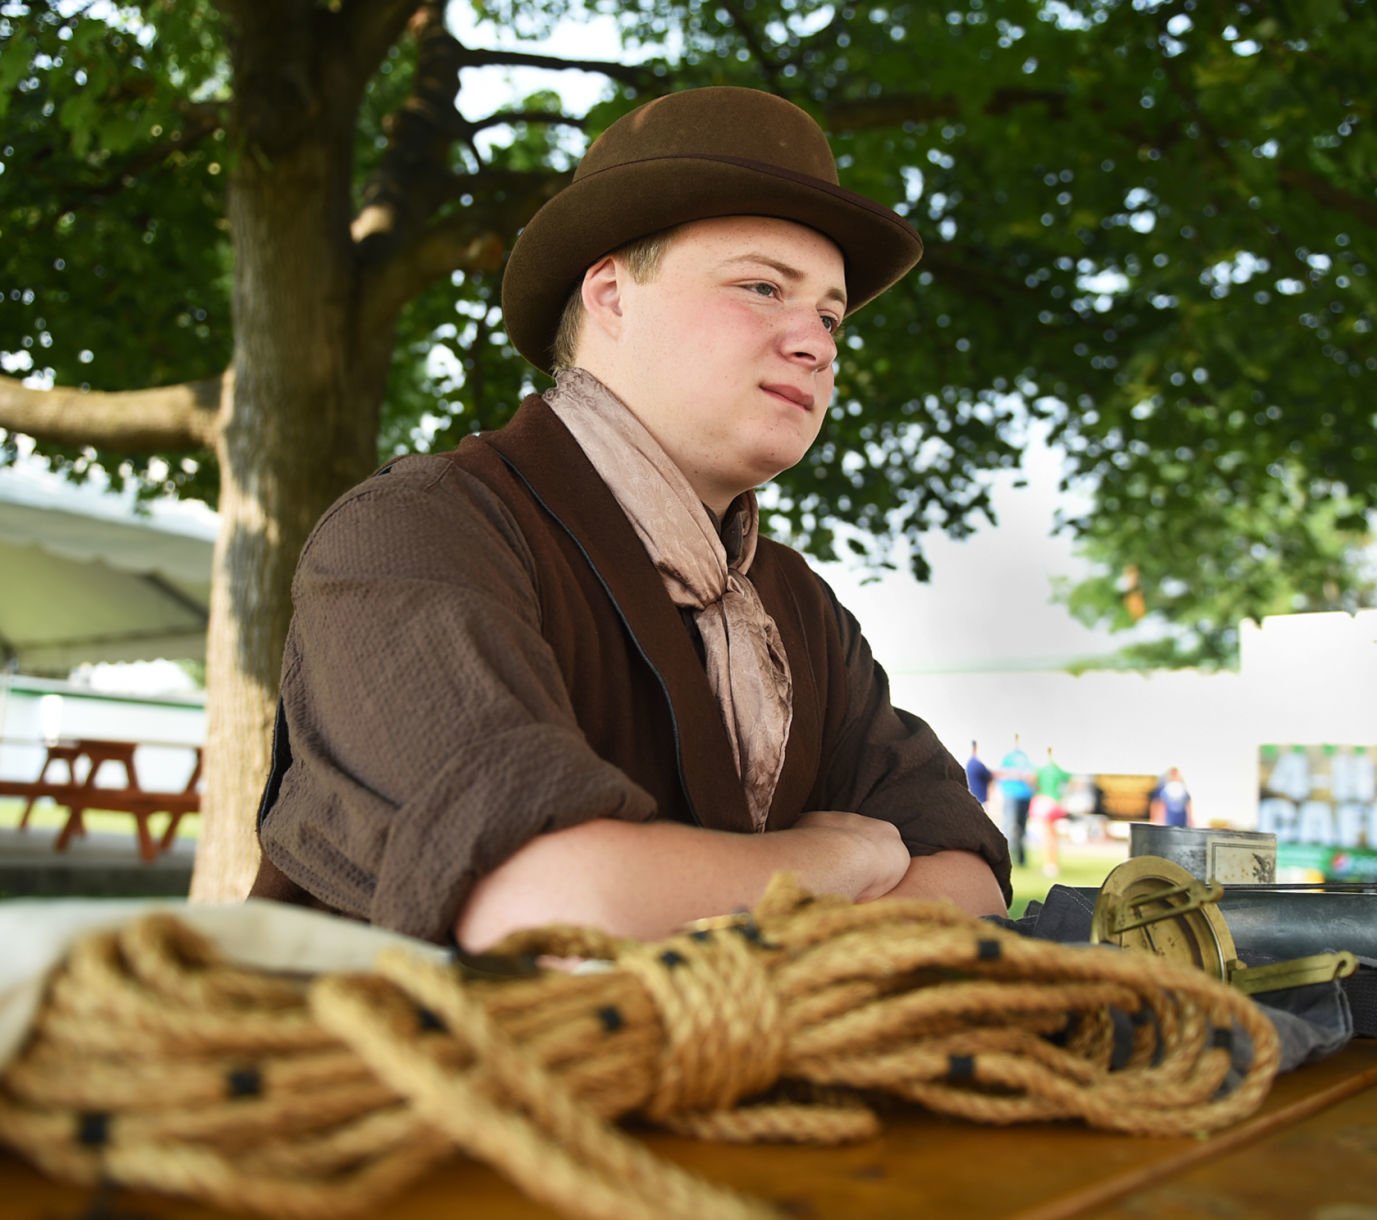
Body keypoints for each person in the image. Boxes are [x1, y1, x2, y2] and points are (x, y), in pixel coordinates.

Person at [248, 87, 1011, 947]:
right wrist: (826, 865)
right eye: (763, 286)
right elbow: (552, 905)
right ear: (610, 295)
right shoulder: (418, 530)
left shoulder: (797, 603)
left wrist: (709, 900)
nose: (818, 343)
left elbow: (969, 880)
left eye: (830, 316)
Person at [1032, 746, 1072, 878]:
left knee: (1047, 835)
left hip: (1045, 802)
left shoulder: (1041, 769)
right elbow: (1072, 782)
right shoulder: (1058, 769)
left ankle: (1050, 865)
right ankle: (1054, 864)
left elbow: (1033, 782)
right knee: (1054, 835)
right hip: (1056, 802)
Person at [997, 736, 1036, 869]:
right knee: (1010, 827)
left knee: (1022, 829)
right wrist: (1017, 775)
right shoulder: (1008, 758)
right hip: (1011, 795)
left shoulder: (1027, 758)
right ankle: (1006, 860)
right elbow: (1000, 774)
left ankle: (1021, 859)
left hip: (1025, 796)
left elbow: (1033, 777)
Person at [964, 741, 994, 819]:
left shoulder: (970, 764)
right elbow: (990, 776)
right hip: (981, 802)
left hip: (973, 801)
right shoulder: (976, 764)